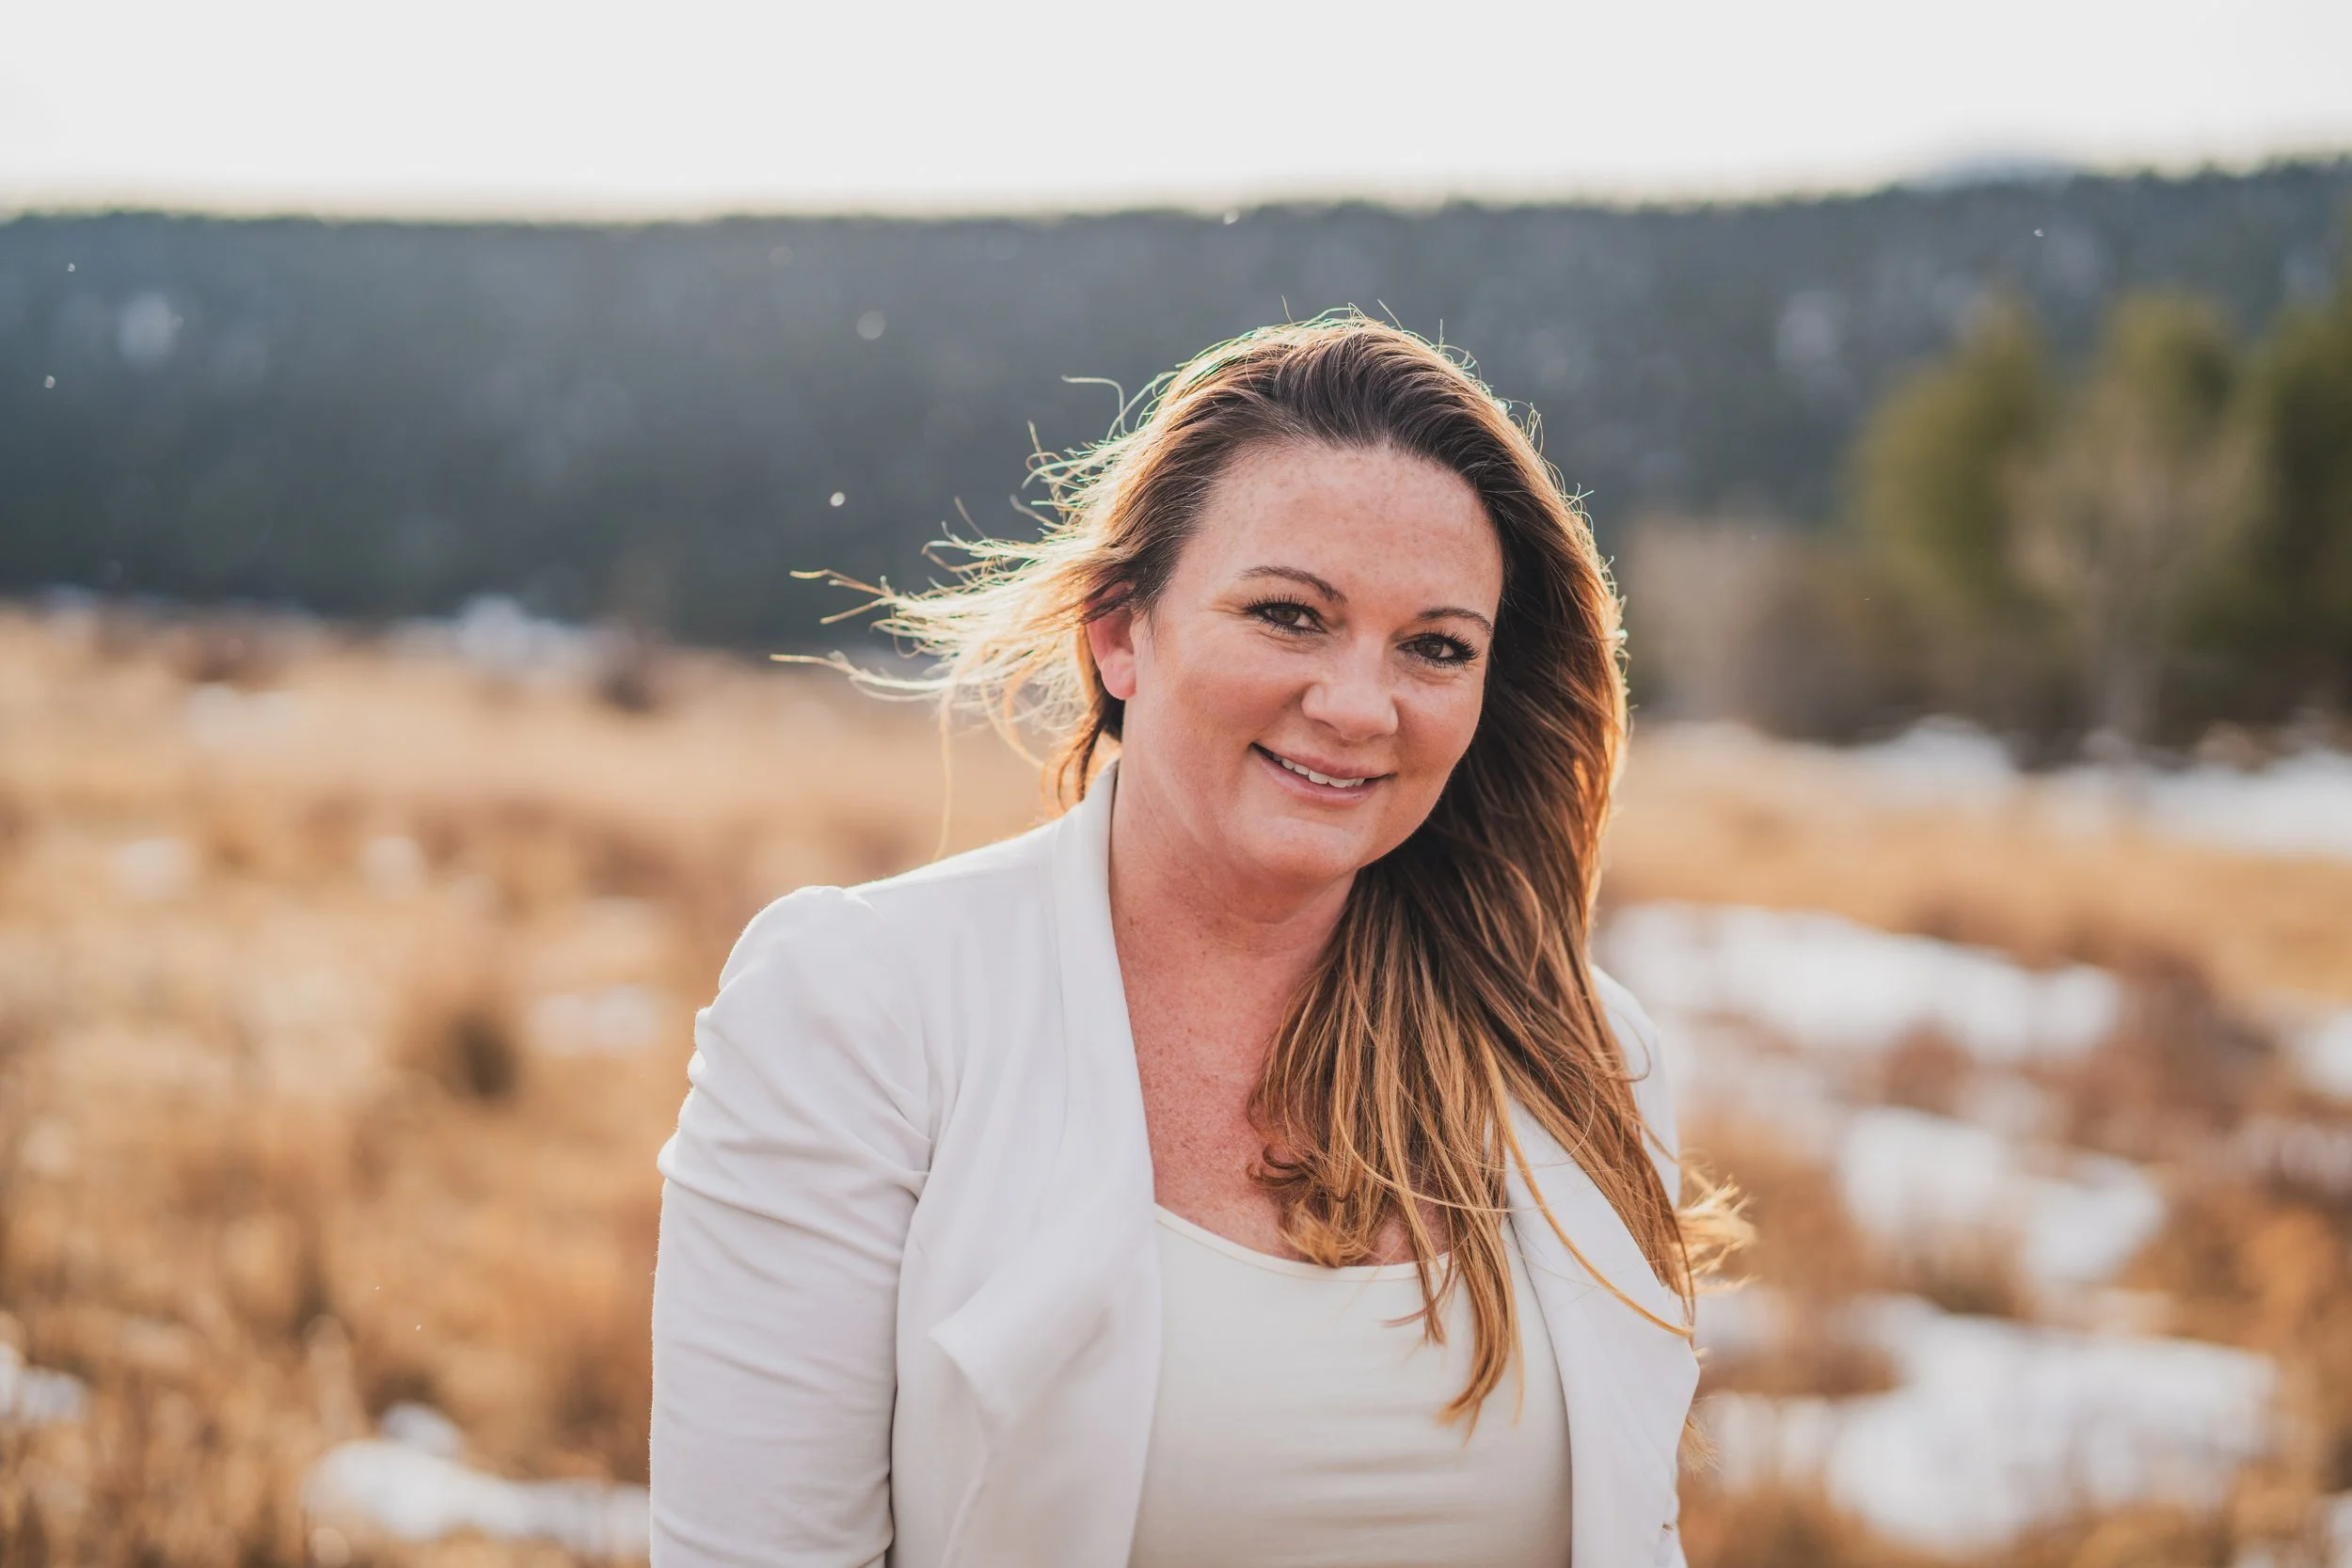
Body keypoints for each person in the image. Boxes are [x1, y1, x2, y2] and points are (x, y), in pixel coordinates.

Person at [649, 313, 1739, 1568]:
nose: (1357, 704)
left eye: (1436, 646)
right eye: (1289, 614)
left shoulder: (1575, 1055)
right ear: (1121, 629)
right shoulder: (866, 1011)